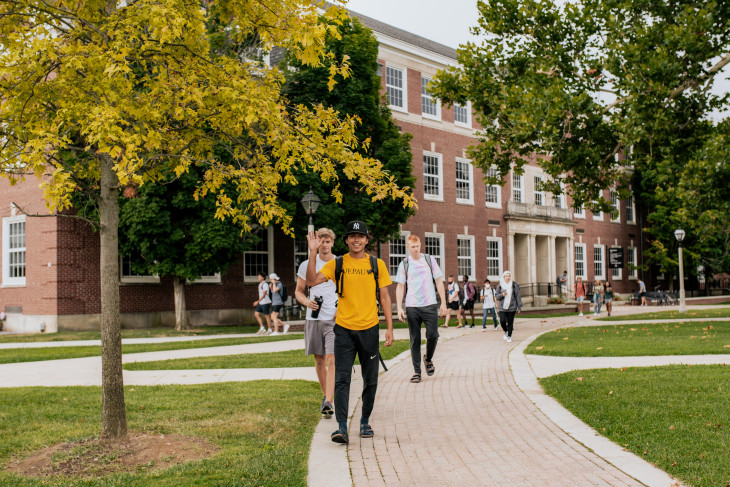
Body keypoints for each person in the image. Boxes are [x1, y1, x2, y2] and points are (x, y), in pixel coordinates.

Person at [306, 221, 393, 445]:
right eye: (352, 236)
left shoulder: (377, 264)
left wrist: (390, 328)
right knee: (342, 379)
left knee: (370, 380)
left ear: (366, 240)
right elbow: (312, 281)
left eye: (360, 236)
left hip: (370, 329)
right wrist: (313, 252)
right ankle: (342, 427)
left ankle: (365, 421)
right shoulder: (338, 264)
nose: (356, 240)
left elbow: (384, 297)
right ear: (346, 240)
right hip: (343, 329)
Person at [295, 227, 338, 418]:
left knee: (331, 359)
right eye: (321, 241)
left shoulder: (339, 263)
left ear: (332, 243)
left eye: (328, 241)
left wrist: (341, 309)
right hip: (313, 318)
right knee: (319, 360)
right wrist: (306, 301)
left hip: (333, 318)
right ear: (317, 243)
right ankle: (325, 398)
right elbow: (299, 290)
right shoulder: (307, 264)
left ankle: (330, 399)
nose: (325, 244)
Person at [395, 235, 447, 384]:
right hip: (412, 306)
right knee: (415, 339)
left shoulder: (429, 260)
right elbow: (400, 287)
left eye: (417, 246)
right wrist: (399, 307)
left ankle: (428, 359)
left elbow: (438, 281)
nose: (416, 249)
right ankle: (417, 372)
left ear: (420, 245)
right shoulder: (405, 263)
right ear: (408, 247)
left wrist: (443, 303)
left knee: (433, 335)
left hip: (430, 304)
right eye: (413, 247)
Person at [495, 270, 522, 343]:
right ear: (504, 277)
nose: (508, 277)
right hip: (502, 307)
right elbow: (496, 296)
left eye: (509, 276)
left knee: (510, 322)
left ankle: (509, 336)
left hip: (512, 307)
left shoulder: (513, 285)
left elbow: (517, 296)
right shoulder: (500, 285)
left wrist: (519, 306)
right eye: (506, 276)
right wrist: (502, 295)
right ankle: (506, 331)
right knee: (502, 321)